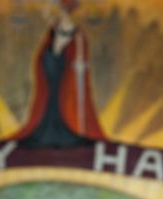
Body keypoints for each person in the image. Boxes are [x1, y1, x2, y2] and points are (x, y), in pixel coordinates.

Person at [11, 0, 106, 148]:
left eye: (53, 9)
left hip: (66, 87)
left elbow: (78, 66)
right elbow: (42, 58)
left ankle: (67, 132)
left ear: (63, 11)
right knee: (49, 107)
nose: (48, 12)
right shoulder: (52, 33)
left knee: (64, 107)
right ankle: (47, 132)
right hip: (51, 81)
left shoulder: (78, 37)